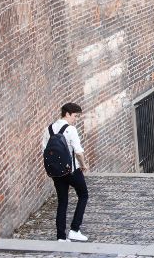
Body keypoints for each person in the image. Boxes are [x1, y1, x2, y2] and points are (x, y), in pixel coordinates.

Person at [42, 102, 89, 242]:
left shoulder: (48, 129)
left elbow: (44, 151)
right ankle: (74, 229)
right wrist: (84, 165)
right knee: (83, 195)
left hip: (56, 172)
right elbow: (79, 152)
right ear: (67, 114)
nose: (76, 119)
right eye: (75, 116)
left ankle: (61, 237)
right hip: (72, 170)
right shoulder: (71, 129)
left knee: (62, 201)